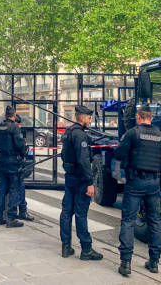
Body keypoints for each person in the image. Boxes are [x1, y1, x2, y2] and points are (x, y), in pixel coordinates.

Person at [114, 106, 161, 276]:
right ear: (151, 117)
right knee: (155, 221)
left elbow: (118, 154)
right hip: (154, 183)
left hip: (135, 182)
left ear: (139, 117)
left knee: (128, 220)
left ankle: (126, 263)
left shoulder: (133, 133)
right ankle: (154, 262)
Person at [59, 105, 103, 261]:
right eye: (89, 118)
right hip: (80, 179)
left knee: (66, 213)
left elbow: (64, 155)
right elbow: (84, 161)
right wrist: (90, 183)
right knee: (81, 214)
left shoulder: (69, 132)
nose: (90, 120)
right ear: (83, 117)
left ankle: (66, 246)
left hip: (70, 177)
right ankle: (86, 249)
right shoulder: (80, 135)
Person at [0, 106, 27, 228]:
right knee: (14, 189)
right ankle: (11, 218)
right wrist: (24, 153)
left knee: (1, 189)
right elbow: (20, 145)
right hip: (13, 162)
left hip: (2, 160)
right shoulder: (14, 128)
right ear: (14, 115)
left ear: (4, 115)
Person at [15, 114, 35, 222]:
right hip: (16, 164)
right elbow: (22, 149)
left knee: (6, 189)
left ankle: (4, 214)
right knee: (19, 187)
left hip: (6, 164)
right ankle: (22, 211)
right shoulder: (16, 132)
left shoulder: (1, 129)